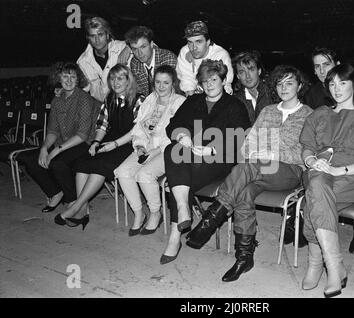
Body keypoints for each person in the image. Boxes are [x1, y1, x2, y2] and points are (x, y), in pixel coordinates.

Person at [186, 65, 314, 282]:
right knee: (244, 191)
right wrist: (254, 152)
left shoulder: (309, 115)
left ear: (300, 86)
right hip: (258, 169)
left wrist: (269, 152)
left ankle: (211, 219)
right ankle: (244, 257)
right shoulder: (268, 112)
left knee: (251, 165)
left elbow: (303, 153)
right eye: (279, 83)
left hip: (289, 171)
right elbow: (247, 145)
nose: (283, 87)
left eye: (289, 83)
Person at [300, 63, 354, 297]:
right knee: (317, 181)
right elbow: (306, 148)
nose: (336, 88)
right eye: (332, 83)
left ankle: (317, 263)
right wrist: (310, 162)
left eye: (342, 83)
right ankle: (334, 266)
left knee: (311, 205)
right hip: (319, 172)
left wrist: (341, 170)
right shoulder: (319, 114)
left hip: (352, 177)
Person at [161, 59, 251, 264]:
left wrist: (212, 149)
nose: (209, 84)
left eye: (213, 79)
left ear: (223, 80)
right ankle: (184, 207)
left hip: (220, 160)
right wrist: (182, 136)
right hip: (190, 155)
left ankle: (175, 236)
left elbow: (240, 138)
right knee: (172, 149)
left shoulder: (234, 105)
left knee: (179, 181)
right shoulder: (193, 101)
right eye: (205, 80)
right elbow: (173, 125)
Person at [303, 47, 354, 253]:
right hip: (321, 163)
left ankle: (320, 250)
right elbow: (309, 140)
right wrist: (313, 159)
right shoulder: (312, 95)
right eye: (316, 67)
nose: (321, 70)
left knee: (313, 201)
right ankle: (332, 265)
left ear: (337, 65)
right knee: (317, 189)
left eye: (325, 65)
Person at [54, 64, 144, 229]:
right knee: (82, 163)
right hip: (110, 140)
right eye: (112, 78)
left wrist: (114, 144)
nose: (115, 82)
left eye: (120, 78)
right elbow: (102, 125)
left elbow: (136, 130)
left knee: (99, 166)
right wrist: (96, 142)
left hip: (129, 143)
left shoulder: (139, 99)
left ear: (128, 80)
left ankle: (76, 206)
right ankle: (83, 211)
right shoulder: (110, 98)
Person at [114, 65, 185, 236]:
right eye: (158, 82)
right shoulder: (150, 99)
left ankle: (155, 212)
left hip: (168, 149)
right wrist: (138, 146)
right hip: (145, 147)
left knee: (144, 175)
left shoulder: (179, 102)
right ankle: (138, 213)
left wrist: (155, 151)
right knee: (122, 171)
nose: (161, 87)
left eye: (165, 83)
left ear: (173, 83)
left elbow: (176, 134)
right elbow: (138, 127)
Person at [20, 62, 97, 213]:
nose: (68, 80)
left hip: (84, 143)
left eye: (73, 77)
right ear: (59, 79)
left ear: (78, 80)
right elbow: (53, 130)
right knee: (31, 160)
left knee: (58, 163)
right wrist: (44, 148)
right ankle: (55, 193)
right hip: (65, 142)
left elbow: (82, 135)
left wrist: (56, 151)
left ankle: (73, 200)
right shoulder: (56, 101)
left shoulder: (84, 99)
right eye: (65, 76)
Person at [176, 21, 233, 96]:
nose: (194, 47)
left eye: (198, 42)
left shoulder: (220, 55)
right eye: (190, 42)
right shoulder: (185, 52)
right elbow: (187, 82)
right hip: (194, 97)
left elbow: (225, 85)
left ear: (208, 42)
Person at [77, 17, 128, 102]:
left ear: (107, 35)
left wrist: (129, 47)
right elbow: (83, 87)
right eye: (93, 36)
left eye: (100, 34)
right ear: (88, 38)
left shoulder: (122, 48)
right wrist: (64, 91)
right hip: (101, 106)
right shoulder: (82, 61)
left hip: (126, 102)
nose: (97, 40)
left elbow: (149, 47)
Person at [124, 26, 178, 97]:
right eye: (135, 49)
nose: (139, 53)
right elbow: (142, 92)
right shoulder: (135, 63)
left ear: (152, 44)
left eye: (143, 47)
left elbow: (169, 93)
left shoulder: (168, 58)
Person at [232, 51, 273, 125]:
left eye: (251, 69)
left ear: (259, 71)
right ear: (238, 76)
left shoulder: (273, 94)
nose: (247, 76)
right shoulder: (235, 101)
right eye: (242, 72)